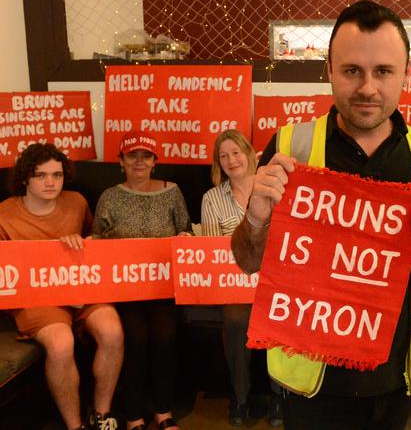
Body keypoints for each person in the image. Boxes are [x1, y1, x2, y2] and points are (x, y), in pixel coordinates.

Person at [230, 0, 411, 430]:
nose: (368, 87)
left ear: (408, 74)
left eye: (384, 71)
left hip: (395, 378)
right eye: (352, 70)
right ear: (330, 70)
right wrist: (258, 220)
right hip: (312, 382)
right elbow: (247, 261)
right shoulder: (288, 147)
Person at [0, 143, 123, 430]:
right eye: (41, 175)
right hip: (35, 298)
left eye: (56, 175)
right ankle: (74, 425)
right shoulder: (4, 214)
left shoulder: (77, 201)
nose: (50, 182)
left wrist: (85, 244)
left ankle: (102, 415)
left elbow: (95, 243)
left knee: (112, 331)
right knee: (60, 342)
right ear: (25, 179)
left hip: (80, 289)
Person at [92, 131, 192, 430]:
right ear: (121, 161)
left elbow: (185, 231)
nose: (139, 161)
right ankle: (133, 416)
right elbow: (97, 239)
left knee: (165, 338)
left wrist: (186, 239)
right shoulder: (110, 196)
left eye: (146, 155)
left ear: (154, 162)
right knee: (133, 340)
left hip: (164, 286)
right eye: (132, 155)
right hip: (125, 288)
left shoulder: (172, 191)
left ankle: (163, 412)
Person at [201, 130, 283, 427]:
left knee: (279, 316)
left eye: (235, 152)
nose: (231, 160)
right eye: (223, 156)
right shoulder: (212, 198)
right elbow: (212, 251)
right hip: (235, 286)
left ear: (249, 153)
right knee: (235, 320)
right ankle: (240, 395)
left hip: (274, 283)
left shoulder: (275, 190)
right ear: (217, 164)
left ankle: (280, 394)